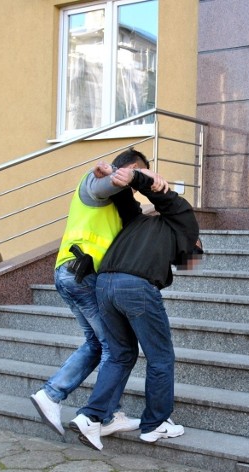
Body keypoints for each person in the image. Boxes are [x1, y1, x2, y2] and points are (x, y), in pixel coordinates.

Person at [30, 148, 167, 437]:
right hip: (81, 275)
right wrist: (123, 177)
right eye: (138, 173)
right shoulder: (94, 184)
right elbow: (104, 184)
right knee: (119, 348)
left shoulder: (119, 204)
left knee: (99, 343)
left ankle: (108, 413)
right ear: (131, 168)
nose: (139, 181)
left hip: (75, 275)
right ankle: (57, 396)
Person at [68, 167, 202, 451]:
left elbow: (124, 199)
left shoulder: (136, 222)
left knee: (120, 354)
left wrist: (113, 175)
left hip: (104, 284)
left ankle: (91, 416)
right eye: (196, 252)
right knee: (160, 357)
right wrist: (135, 176)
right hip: (135, 286)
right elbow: (164, 195)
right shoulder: (186, 224)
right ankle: (155, 425)